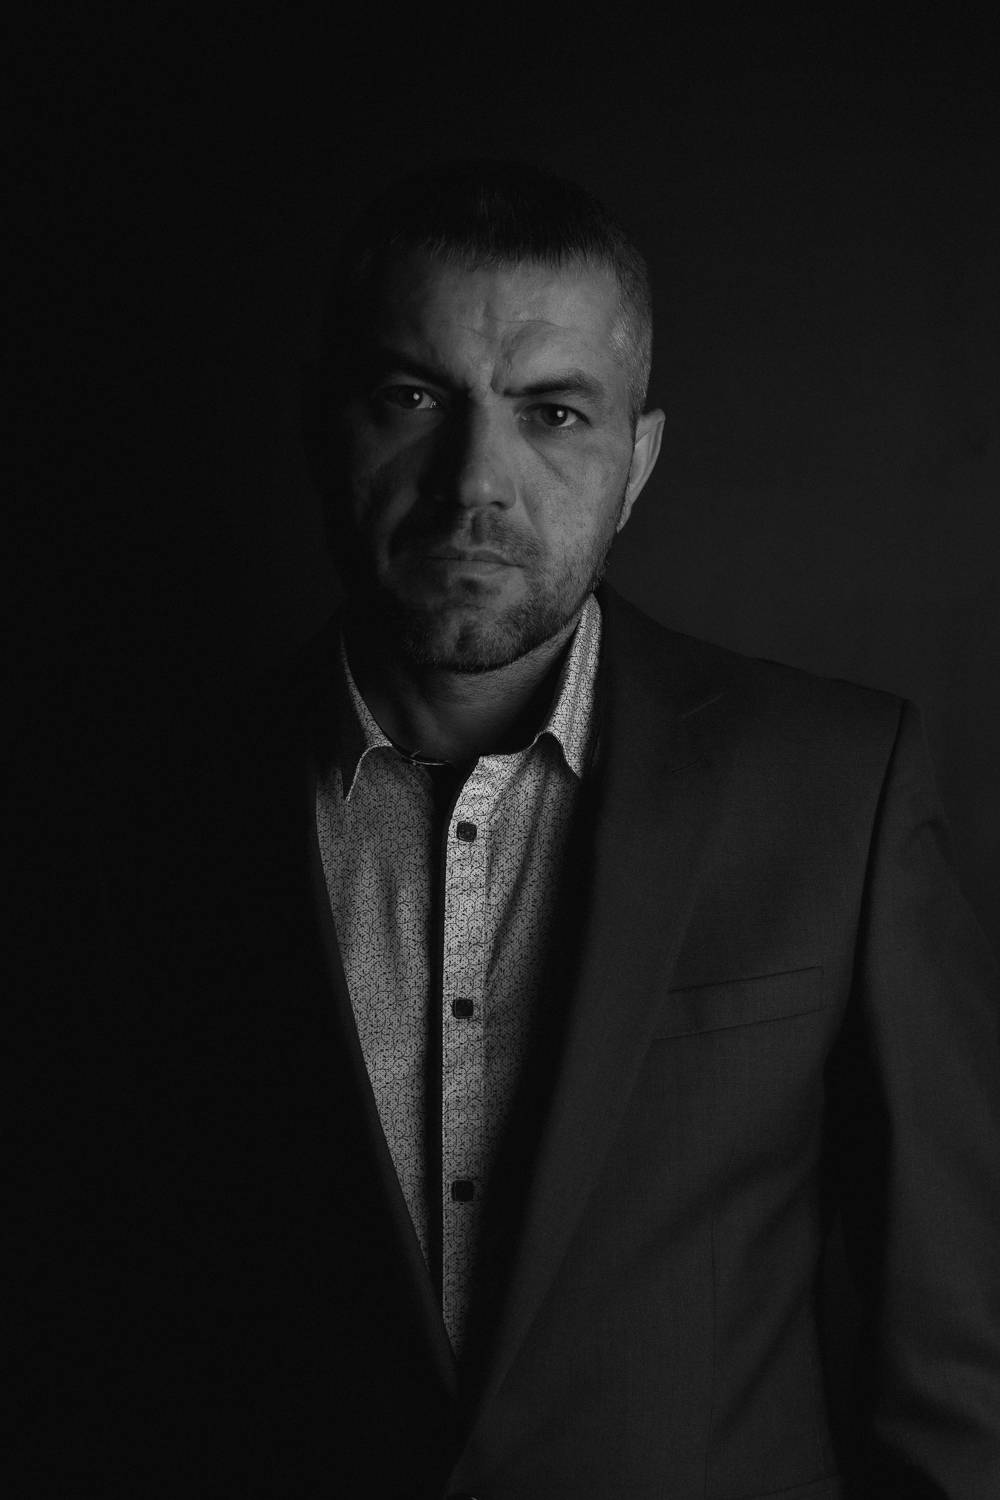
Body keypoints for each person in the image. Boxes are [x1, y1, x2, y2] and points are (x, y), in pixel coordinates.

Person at [43, 160, 998, 1498]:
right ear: (324, 424)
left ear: (636, 462)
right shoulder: (140, 824)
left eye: (553, 412)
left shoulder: (839, 789)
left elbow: (964, 1366)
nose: (474, 482)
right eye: (412, 398)